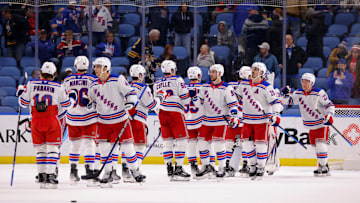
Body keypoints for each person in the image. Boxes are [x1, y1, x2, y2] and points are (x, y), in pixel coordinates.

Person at [87, 57, 146, 187]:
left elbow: (131, 93)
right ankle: (107, 173)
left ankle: (135, 171)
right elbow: (93, 103)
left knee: (128, 148)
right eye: (95, 66)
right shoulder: (93, 85)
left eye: (98, 66)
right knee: (104, 149)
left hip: (120, 120)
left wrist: (131, 104)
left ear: (105, 68)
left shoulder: (118, 79)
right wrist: (89, 105)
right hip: (103, 122)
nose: (95, 69)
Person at [17, 62, 74, 189]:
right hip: (52, 120)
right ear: (54, 74)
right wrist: (71, 98)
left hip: (36, 120)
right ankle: (50, 175)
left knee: (40, 150)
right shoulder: (58, 86)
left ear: (41, 73)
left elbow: (23, 102)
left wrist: (20, 92)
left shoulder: (31, 84)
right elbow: (66, 104)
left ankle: (41, 175)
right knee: (53, 149)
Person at [235, 62, 283, 180]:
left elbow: (277, 103)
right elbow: (237, 97)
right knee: (247, 144)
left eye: (256, 69)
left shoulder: (266, 87)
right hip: (247, 120)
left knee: (261, 144)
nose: (253, 71)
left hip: (261, 121)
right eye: (253, 69)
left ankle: (261, 167)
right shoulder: (244, 84)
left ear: (261, 73)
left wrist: (275, 114)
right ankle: (252, 165)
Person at [281, 73, 335, 176]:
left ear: (312, 83)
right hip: (311, 125)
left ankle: (324, 167)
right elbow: (287, 101)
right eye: (303, 81)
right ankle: (323, 165)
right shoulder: (298, 93)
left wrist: (329, 116)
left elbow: (330, 105)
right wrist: (285, 95)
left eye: (307, 82)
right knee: (315, 146)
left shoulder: (319, 93)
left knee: (321, 145)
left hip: (321, 124)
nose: (304, 84)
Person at [195, 64, 240, 179]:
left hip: (220, 122)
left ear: (220, 73)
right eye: (210, 71)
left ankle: (221, 168)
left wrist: (234, 116)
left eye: (214, 72)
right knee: (201, 144)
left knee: (218, 145)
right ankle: (206, 167)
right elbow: (198, 102)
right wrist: (194, 98)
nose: (211, 74)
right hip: (206, 121)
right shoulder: (205, 87)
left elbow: (233, 104)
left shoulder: (226, 88)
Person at [63, 56, 98, 186]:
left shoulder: (67, 79)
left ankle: (73, 172)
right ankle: (89, 171)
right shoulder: (93, 79)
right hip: (89, 117)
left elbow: (64, 97)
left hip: (72, 117)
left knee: (75, 145)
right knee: (89, 144)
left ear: (75, 66)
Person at [153, 60, 191, 181]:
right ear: (173, 70)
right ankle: (178, 169)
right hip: (175, 113)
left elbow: (155, 103)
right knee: (182, 140)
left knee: (167, 142)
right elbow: (185, 99)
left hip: (162, 114)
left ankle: (169, 170)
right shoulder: (178, 80)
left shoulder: (156, 83)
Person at [122, 64, 159, 182]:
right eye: (142, 75)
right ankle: (135, 171)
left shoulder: (125, 86)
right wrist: (159, 100)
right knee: (140, 147)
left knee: (127, 146)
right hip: (138, 120)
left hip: (126, 120)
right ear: (139, 75)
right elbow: (151, 105)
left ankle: (125, 172)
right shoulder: (144, 88)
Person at [226, 66, 252, 177]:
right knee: (246, 144)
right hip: (245, 119)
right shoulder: (252, 86)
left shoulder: (229, 86)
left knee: (228, 143)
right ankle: (246, 165)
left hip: (233, 118)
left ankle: (227, 165)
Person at [184, 66, 204, 177]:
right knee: (204, 143)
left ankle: (193, 166)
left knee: (191, 143)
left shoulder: (184, 88)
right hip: (201, 119)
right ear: (199, 76)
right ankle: (207, 165)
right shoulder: (203, 87)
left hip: (188, 120)